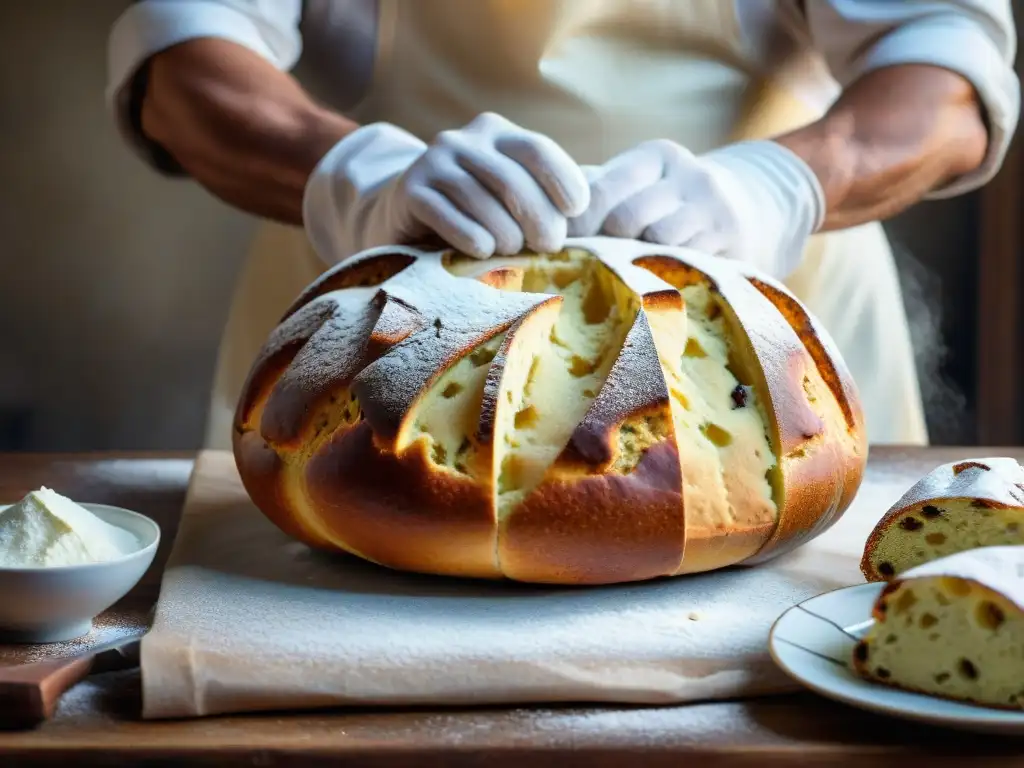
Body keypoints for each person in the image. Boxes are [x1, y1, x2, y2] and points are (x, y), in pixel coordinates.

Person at [106, 0, 1019, 452]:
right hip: (382, 316)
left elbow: (946, 73)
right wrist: (356, 179)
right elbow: (183, 53)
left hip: (755, 312)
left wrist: (777, 187)